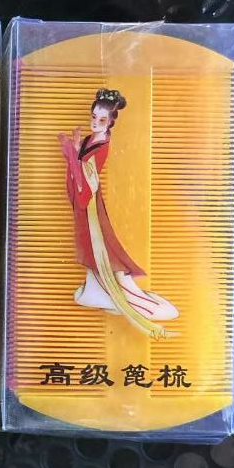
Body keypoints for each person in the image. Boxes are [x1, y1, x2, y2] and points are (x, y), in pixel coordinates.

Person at [58, 88, 178, 338]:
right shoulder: (91, 139)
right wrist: (76, 150)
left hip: (90, 203)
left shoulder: (102, 145)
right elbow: (80, 166)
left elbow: (87, 178)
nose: (95, 122)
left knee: (98, 245)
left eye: (101, 120)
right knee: (91, 246)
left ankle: (129, 298)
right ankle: (96, 288)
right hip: (85, 201)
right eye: (93, 117)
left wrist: (73, 154)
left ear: (111, 122)